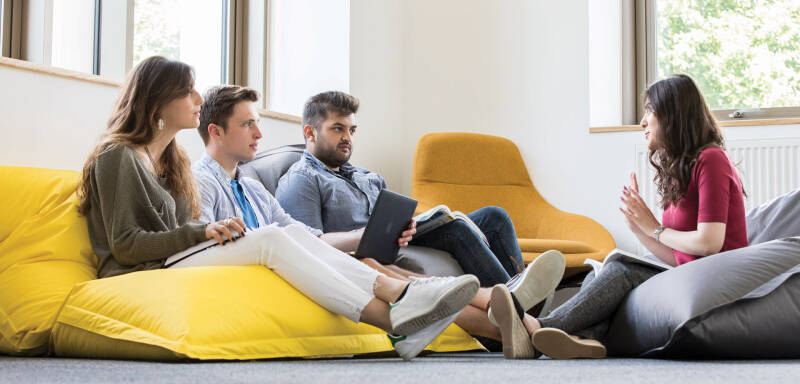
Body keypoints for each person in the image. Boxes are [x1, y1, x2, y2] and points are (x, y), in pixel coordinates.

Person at [76, 56, 481, 362]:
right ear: (156, 101)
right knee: (270, 237)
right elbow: (126, 245)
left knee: (289, 232)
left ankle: (399, 311)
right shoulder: (118, 156)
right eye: (187, 92)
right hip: (140, 270)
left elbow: (179, 231)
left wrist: (202, 235)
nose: (198, 99)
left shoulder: (171, 161)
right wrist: (201, 233)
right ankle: (396, 308)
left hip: (172, 259)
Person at [194, 84, 565, 358]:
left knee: (482, 221)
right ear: (216, 131)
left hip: (362, 251)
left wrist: (386, 230)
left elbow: (300, 235)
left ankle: (519, 324)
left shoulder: (254, 188)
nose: (259, 134)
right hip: (337, 256)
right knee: (382, 263)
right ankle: (512, 306)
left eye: (351, 130)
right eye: (247, 124)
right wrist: (359, 239)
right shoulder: (214, 180)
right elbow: (208, 238)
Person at [498, 74, 748, 359]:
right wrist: (638, 228)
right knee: (601, 272)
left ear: (672, 115)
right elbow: (678, 258)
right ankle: (583, 339)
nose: (642, 122)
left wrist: (654, 229)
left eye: (649, 111)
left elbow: (709, 243)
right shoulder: (683, 169)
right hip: (692, 273)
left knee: (621, 272)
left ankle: (540, 327)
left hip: (717, 277)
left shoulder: (711, 159)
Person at [275, 91, 528, 290]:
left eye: (352, 130)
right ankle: (514, 301)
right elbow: (306, 243)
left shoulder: (367, 177)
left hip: (396, 242)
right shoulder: (302, 179)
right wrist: (362, 235)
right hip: (361, 253)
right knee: (456, 229)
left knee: (494, 216)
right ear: (310, 132)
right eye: (338, 128)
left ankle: (521, 293)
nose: (348, 138)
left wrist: (408, 225)